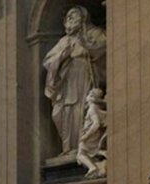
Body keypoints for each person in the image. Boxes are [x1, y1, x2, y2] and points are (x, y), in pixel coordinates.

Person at [43, 5, 107, 157]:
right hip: (65, 84)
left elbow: (105, 50)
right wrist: (62, 56)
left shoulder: (94, 33)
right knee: (60, 113)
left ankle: (84, 147)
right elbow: (48, 62)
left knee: (81, 110)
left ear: (84, 17)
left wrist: (87, 45)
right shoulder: (64, 41)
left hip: (84, 79)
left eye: (74, 14)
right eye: (68, 16)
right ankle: (68, 148)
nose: (70, 18)